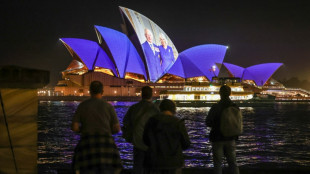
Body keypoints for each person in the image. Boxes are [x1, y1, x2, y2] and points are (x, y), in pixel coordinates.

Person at [71, 81, 122, 174]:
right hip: (106, 143)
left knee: (81, 168)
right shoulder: (108, 106)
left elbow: (74, 127)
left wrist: (82, 130)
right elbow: (117, 128)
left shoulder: (83, 105)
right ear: (102, 91)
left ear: (90, 91)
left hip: (87, 142)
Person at [143, 99, 191, 174]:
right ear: (174, 109)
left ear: (160, 108)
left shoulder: (152, 120)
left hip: (155, 161)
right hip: (174, 162)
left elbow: (145, 139)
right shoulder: (178, 122)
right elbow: (186, 143)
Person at [122, 86, 160, 174]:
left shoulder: (134, 108)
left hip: (137, 143)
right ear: (152, 95)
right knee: (151, 168)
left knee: (138, 168)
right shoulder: (156, 109)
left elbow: (125, 122)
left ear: (141, 95)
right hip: (151, 145)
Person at [205, 85, 240, 174]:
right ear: (230, 94)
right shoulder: (235, 107)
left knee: (217, 164)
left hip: (217, 138)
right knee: (233, 163)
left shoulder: (215, 107)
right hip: (231, 138)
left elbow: (208, 122)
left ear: (220, 93)